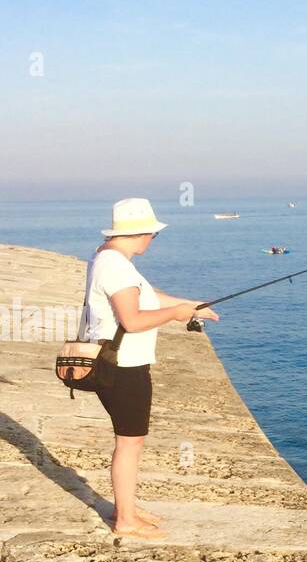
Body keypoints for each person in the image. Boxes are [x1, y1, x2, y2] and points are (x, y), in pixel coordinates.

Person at [84, 197, 219, 539]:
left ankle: (125, 507)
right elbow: (132, 319)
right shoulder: (115, 265)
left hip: (118, 363)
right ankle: (125, 520)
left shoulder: (111, 258)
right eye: (153, 235)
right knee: (130, 442)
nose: (153, 241)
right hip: (123, 366)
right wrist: (175, 315)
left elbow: (147, 296)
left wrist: (188, 306)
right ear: (140, 233)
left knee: (131, 440)